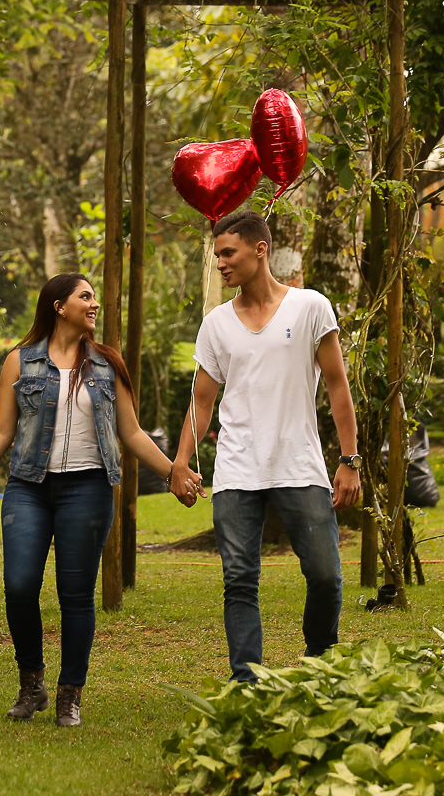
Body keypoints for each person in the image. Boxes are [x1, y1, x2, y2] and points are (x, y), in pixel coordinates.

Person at [0, 273, 187, 727]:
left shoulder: (106, 364)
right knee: (19, 585)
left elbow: (131, 432)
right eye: (85, 297)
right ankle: (32, 683)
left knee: (75, 595)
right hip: (28, 488)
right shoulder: (20, 362)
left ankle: (69, 695)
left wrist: (173, 471)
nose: (94, 304)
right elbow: (1, 430)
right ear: (59, 306)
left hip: (88, 489)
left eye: (94, 297)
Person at [169, 209, 362, 682]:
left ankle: (320, 661)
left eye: (228, 253)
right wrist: (180, 461)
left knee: (325, 575)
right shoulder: (216, 324)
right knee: (239, 580)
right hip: (237, 470)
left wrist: (349, 459)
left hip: (300, 465)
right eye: (217, 255)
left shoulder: (310, 307)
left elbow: (337, 385)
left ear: (260, 250)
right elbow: (201, 401)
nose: (221, 263)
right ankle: (246, 680)